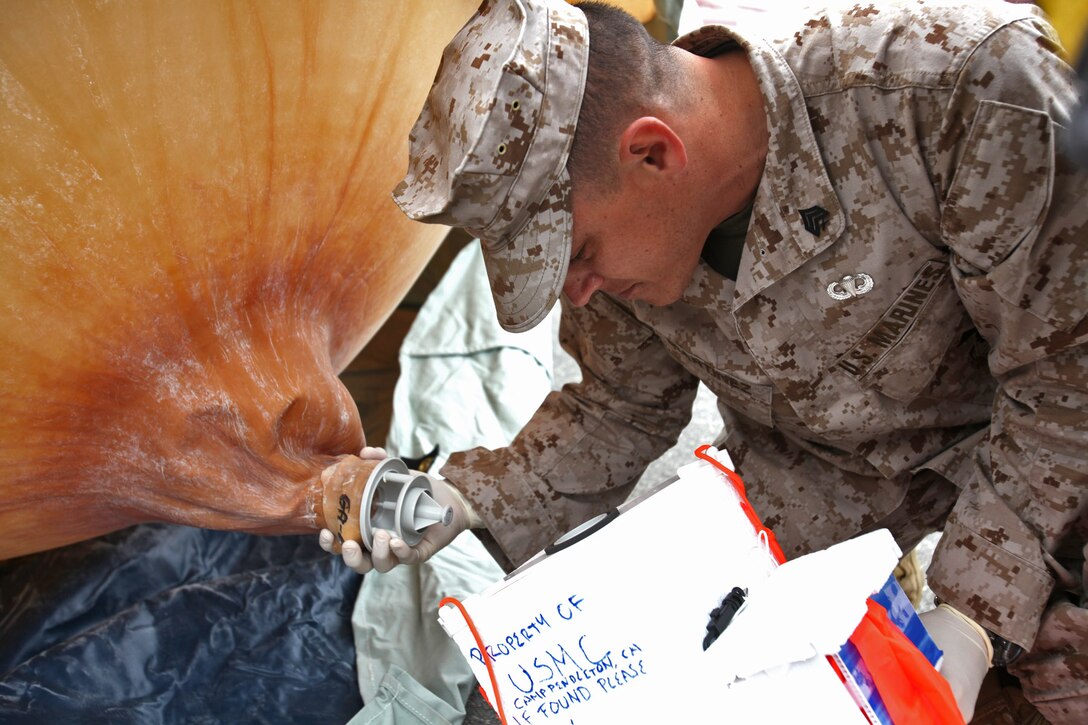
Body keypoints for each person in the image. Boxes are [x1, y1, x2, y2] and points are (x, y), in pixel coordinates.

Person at [321, 0, 1087, 721]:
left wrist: (971, 616)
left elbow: (1064, 384)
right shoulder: (627, 238)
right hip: (820, 484)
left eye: (580, 254)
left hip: (1046, 466)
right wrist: (462, 500)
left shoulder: (959, 91)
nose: (579, 292)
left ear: (654, 152)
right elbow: (615, 406)